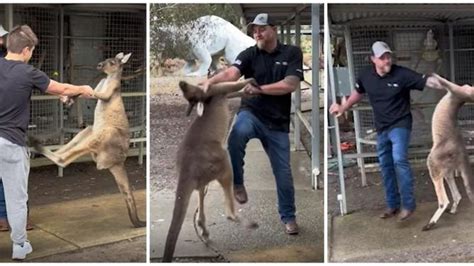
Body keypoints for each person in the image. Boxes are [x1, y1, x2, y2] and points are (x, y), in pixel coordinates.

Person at [201, 13, 304, 235]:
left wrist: (259, 89)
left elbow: (290, 85)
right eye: (254, 30)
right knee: (237, 134)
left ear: (274, 29)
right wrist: (210, 81)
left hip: (277, 123)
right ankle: (238, 182)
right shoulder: (249, 54)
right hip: (252, 113)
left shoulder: (292, 53)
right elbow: (231, 72)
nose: (256, 33)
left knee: (283, 174)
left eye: (261, 28)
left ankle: (289, 217)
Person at [0, 24, 94, 260]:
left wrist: (61, 93)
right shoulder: (28, 72)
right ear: (27, 50)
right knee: (17, 199)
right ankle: (19, 246)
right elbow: (60, 87)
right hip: (11, 144)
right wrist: (83, 88)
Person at [329, 41, 446, 221]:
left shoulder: (402, 74)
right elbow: (358, 93)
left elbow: (427, 80)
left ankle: (408, 205)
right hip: (381, 127)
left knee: (399, 159)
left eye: (388, 56)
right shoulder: (366, 76)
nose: (387, 60)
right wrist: (343, 107)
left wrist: (450, 86)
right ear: (373, 59)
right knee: (385, 165)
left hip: (400, 124)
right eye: (382, 57)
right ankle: (392, 205)